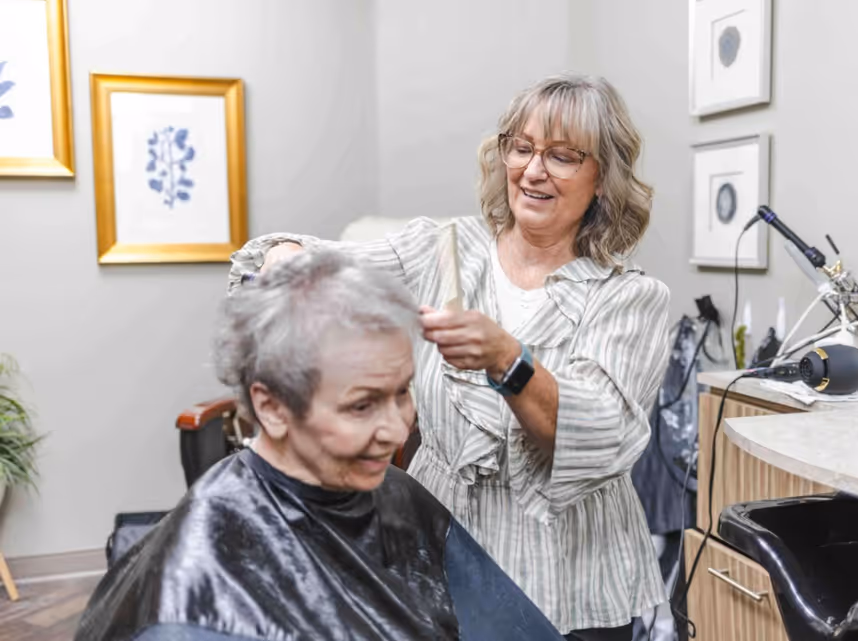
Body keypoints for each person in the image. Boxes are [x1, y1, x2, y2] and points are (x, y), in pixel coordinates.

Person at [229, 73, 671, 640]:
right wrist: (287, 261)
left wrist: (508, 360)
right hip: (439, 544)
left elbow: (598, 434)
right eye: (522, 148)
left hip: (574, 576)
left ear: (603, 180)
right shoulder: (443, 249)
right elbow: (320, 262)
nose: (534, 171)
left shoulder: (629, 297)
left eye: (561, 156)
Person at [75, 251, 564, 641]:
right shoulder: (193, 602)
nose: (396, 431)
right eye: (360, 407)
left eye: (402, 393)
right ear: (272, 408)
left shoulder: (397, 495)